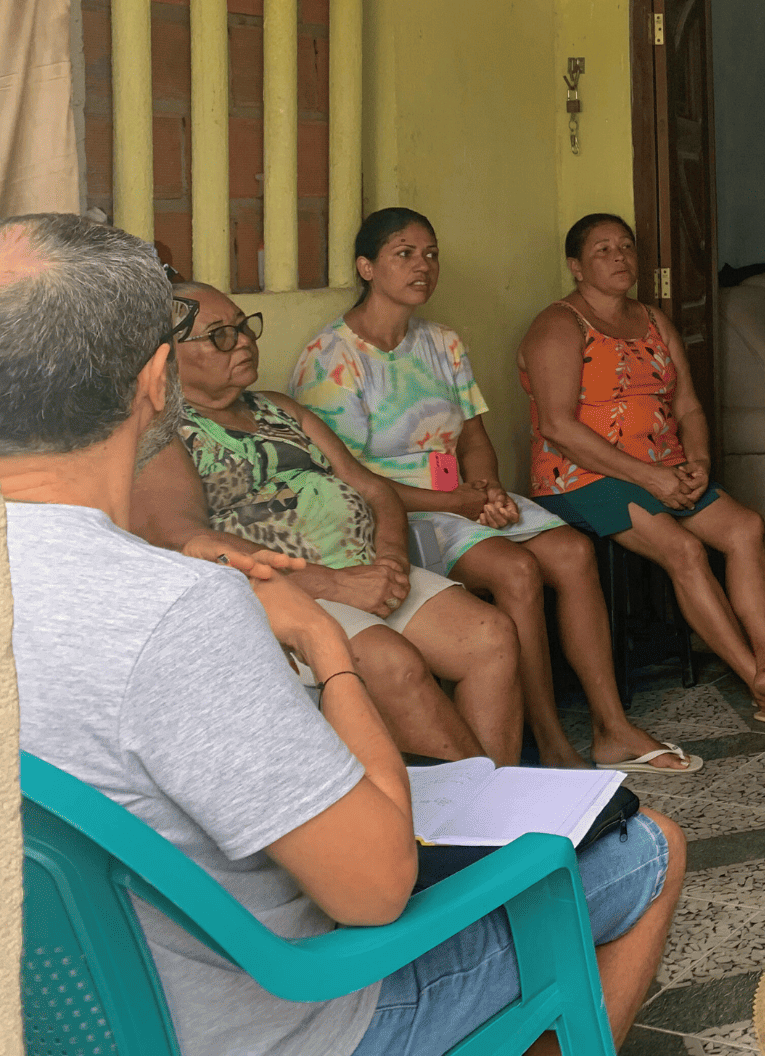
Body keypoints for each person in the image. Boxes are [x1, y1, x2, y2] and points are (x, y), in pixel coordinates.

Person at [0, 212, 686, 1056]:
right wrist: (327, 651)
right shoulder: (177, 610)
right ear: (154, 381)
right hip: (286, 1020)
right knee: (650, 849)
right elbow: (375, 889)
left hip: (68, 1024)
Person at [291, 207, 698, 774]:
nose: (422, 266)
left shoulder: (442, 341)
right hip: (391, 515)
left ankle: (612, 728)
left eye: (430, 254)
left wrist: (487, 490)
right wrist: (457, 503)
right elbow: (347, 483)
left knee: (572, 553)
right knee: (517, 571)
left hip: (461, 499)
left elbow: (474, 438)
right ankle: (551, 742)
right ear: (366, 267)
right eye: (404, 254)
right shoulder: (331, 358)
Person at [136, 279, 525, 765]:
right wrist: (337, 585)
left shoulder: (279, 408)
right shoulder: (164, 433)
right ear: (167, 356)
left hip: (367, 572)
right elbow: (184, 538)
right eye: (219, 335)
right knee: (393, 664)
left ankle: (492, 796)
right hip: (285, 595)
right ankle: (480, 802)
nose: (243, 342)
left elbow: (373, 489)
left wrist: (390, 563)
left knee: (490, 635)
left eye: (243, 326)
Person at [519, 213, 765, 728]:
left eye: (626, 246)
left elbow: (688, 405)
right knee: (684, 549)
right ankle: (759, 684)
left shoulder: (654, 320)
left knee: (745, 527)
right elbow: (558, 427)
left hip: (664, 467)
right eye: (603, 249)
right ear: (576, 266)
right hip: (581, 476)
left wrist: (698, 462)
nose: (619, 256)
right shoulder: (558, 326)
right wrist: (650, 477)